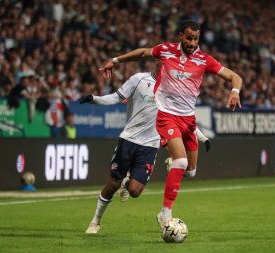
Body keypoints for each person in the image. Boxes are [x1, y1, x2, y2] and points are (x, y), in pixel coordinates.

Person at [99, 20, 242, 229]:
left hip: (188, 120)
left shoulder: (204, 60)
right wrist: (115, 60)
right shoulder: (165, 50)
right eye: (189, 38)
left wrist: (234, 91)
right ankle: (165, 215)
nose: (192, 43)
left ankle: (172, 164)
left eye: (196, 38)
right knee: (182, 162)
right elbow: (142, 53)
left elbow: (234, 76)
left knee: (191, 171)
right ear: (180, 36)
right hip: (167, 116)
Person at [82, 65, 211, 234]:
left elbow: (183, 119)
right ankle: (95, 221)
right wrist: (95, 98)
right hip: (129, 139)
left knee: (135, 191)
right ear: (158, 62)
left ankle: (127, 182)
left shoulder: (173, 89)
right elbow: (116, 97)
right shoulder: (138, 79)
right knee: (113, 183)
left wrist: (202, 138)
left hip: (150, 146)